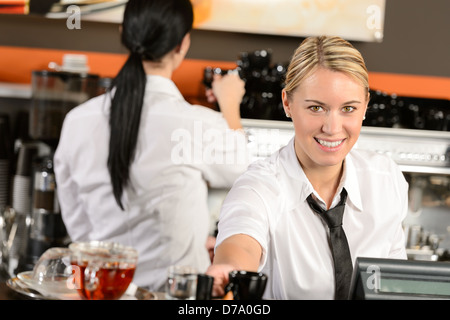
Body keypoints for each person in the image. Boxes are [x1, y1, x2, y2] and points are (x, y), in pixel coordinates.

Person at [54, 0, 249, 292]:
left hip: (103, 292)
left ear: (124, 33)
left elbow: (78, 225)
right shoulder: (198, 123)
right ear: (183, 44)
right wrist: (230, 104)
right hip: (176, 296)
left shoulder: (77, 121)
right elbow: (244, 172)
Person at [206, 35, 409, 300]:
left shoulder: (387, 179)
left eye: (348, 108)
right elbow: (241, 243)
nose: (332, 128)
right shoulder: (259, 187)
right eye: (316, 108)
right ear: (287, 103)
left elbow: (397, 284)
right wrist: (229, 269)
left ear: (365, 105)